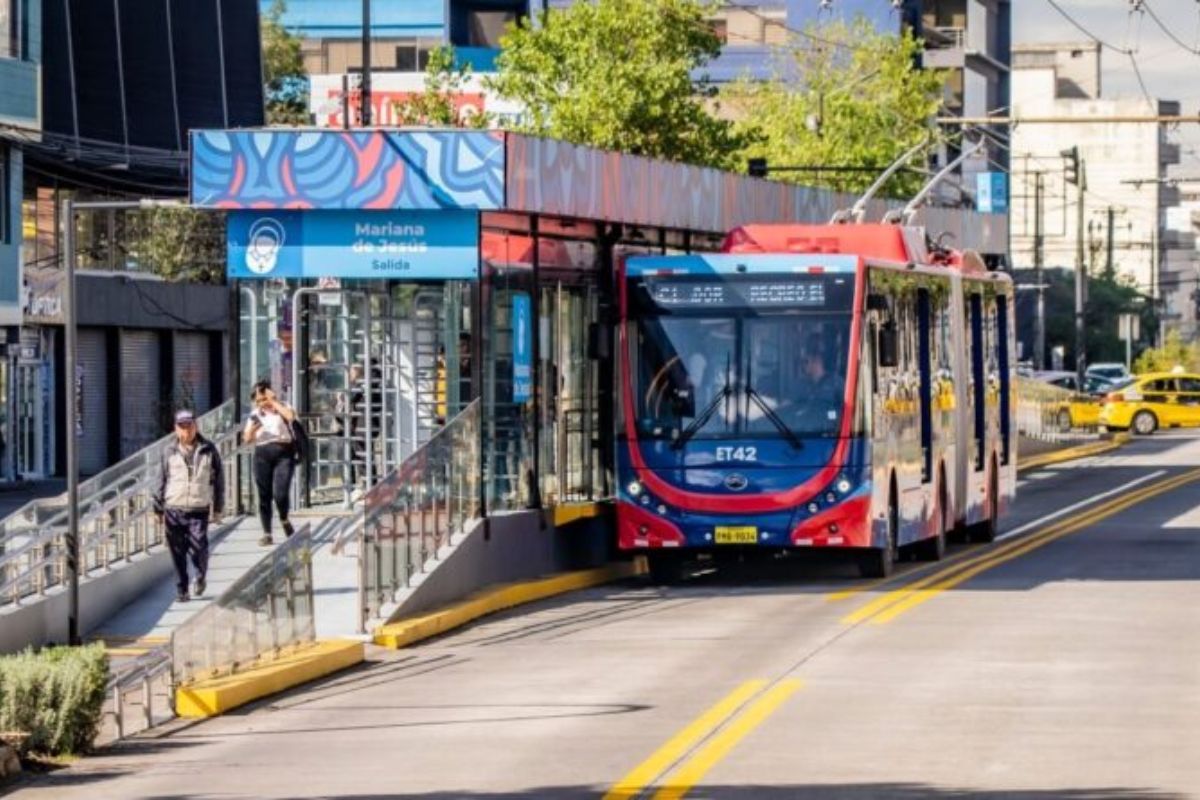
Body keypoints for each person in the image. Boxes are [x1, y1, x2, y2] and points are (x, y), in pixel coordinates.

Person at [153, 409, 224, 602]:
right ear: (175, 429)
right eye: (182, 427)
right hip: (173, 508)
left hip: (198, 508)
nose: (186, 430)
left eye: (189, 426)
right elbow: (160, 479)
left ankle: (200, 576)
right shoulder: (168, 450)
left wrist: (218, 507)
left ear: (196, 426)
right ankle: (182, 589)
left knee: (199, 547)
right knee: (177, 552)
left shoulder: (208, 449)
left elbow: (219, 481)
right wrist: (157, 507)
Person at [244, 380, 298, 546]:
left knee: (280, 493)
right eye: (258, 400)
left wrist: (274, 401)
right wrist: (253, 429)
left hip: (284, 454)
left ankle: (284, 519)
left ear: (270, 394)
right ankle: (267, 533)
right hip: (262, 455)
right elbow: (247, 439)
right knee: (264, 495)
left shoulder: (283, 406)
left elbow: (291, 417)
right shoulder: (255, 414)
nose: (261, 403)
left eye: (263, 398)